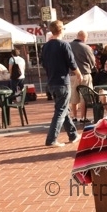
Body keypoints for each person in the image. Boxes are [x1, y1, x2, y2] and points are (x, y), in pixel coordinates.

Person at [41, 19, 81, 147]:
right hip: (62, 81)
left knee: (63, 109)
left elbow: (43, 63)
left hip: (51, 82)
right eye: (63, 28)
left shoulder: (45, 46)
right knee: (61, 110)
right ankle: (51, 139)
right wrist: (78, 73)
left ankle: (73, 134)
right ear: (61, 30)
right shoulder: (64, 44)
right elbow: (71, 62)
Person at [69, 31, 97, 123]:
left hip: (72, 74)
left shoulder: (68, 46)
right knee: (83, 97)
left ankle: (74, 116)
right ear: (84, 37)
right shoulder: (86, 47)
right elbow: (92, 62)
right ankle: (83, 117)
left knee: (74, 96)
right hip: (84, 73)